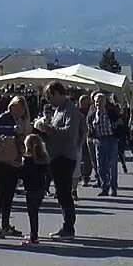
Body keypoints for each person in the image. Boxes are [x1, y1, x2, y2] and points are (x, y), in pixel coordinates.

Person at [36, 81, 82, 239]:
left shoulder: (70, 110)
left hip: (64, 157)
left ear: (57, 93)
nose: (49, 101)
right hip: (56, 156)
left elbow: (69, 132)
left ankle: (69, 228)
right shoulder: (59, 110)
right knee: (61, 194)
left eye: (50, 96)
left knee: (64, 194)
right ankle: (67, 226)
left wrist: (48, 128)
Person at [0, 96, 30, 239]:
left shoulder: (22, 120)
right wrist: (11, 129)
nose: (19, 111)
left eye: (22, 109)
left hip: (14, 161)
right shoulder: (6, 117)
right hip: (1, 160)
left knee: (9, 194)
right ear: (11, 107)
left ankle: (5, 225)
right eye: (17, 108)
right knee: (0, 193)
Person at [20, 133, 50, 245]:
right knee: (35, 212)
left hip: (31, 189)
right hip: (40, 188)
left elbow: (22, 174)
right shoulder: (44, 159)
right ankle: (34, 234)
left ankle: (34, 236)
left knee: (32, 213)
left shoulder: (27, 161)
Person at [90, 92, 121, 196]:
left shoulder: (111, 113)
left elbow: (120, 123)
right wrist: (92, 136)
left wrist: (118, 135)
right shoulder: (93, 114)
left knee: (112, 165)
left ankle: (114, 188)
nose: (98, 104)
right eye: (96, 102)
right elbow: (89, 125)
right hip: (99, 140)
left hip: (111, 139)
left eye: (100, 101)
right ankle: (104, 187)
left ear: (105, 102)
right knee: (101, 166)